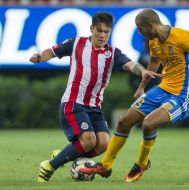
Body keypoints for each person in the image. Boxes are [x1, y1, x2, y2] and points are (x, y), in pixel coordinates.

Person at [79, 8, 189, 182]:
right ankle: (105, 166)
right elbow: (154, 61)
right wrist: (142, 86)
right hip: (162, 89)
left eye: (140, 28)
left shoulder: (182, 36)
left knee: (148, 123)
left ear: (150, 26)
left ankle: (141, 164)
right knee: (124, 121)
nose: (139, 32)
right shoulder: (154, 41)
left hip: (182, 95)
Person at [29, 11, 160, 182]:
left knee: (104, 144)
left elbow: (130, 64)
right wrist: (40, 57)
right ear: (91, 29)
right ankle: (49, 166)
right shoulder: (76, 43)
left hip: (94, 107)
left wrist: (142, 70)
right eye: (99, 30)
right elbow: (53, 52)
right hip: (73, 103)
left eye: (106, 32)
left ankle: (62, 155)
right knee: (89, 141)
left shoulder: (113, 53)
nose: (102, 35)